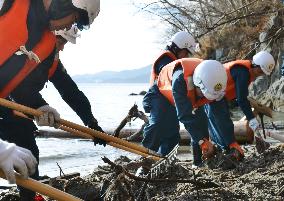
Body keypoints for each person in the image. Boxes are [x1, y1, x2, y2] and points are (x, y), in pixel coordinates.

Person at [0, 0, 99, 199]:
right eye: (74, 21)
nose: (61, 47)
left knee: (28, 158)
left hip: (15, 113)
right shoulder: (9, 7)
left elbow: (69, 91)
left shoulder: (44, 51)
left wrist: (91, 123)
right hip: (8, 111)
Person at [204, 51, 275, 158]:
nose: (260, 74)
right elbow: (242, 99)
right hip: (213, 96)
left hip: (215, 96)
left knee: (217, 126)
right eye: (260, 71)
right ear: (255, 64)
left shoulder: (245, 71)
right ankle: (230, 151)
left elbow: (240, 96)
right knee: (224, 124)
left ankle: (222, 152)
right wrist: (252, 119)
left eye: (263, 73)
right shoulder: (243, 72)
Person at [157, 59, 228, 166]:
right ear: (197, 83)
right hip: (163, 91)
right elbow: (184, 116)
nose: (205, 97)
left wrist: (230, 142)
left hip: (189, 92)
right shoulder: (180, 80)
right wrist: (201, 141)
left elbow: (220, 113)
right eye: (203, 93)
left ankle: (198, 162)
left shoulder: (213, 76)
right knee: (166, 128)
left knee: (202, 122)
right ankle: (157, 159)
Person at [142, 31, 197, 156]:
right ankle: (145, 157)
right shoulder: (165, 59)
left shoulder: (175, 60)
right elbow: (168, 74)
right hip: (158, 98)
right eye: (186, 52)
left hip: (170, 98)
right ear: (178, 47)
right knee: (157, 126)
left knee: (172, 133)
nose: (186, 56)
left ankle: (164, 158)